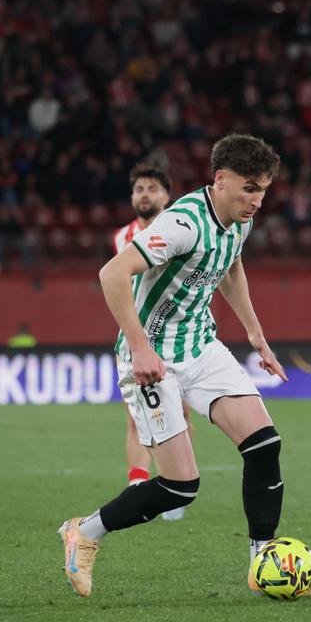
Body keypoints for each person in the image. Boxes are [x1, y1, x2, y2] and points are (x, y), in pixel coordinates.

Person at [59, 134, 311, 598]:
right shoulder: (182, 223)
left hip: (201, 345)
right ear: (220, 181)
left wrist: (256, 336)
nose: (257, 201)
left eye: (263, 190)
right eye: (249, 189)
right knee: (180, 487)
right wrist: (140, 349)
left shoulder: (239, 218)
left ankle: (264, 564)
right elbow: (112, 274)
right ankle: (84, 532)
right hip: (154, 358)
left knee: (264, 445)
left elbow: (232, 267)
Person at [113, 165, 192, 521]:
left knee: (182, 414)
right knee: (136, 417)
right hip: (140, 338)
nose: (144, 194)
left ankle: (174, 484)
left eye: (152, 188)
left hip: (176, 333)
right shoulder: (121, 238)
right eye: (138, 188)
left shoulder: (179, 230)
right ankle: (138, 484)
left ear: (166, 196)